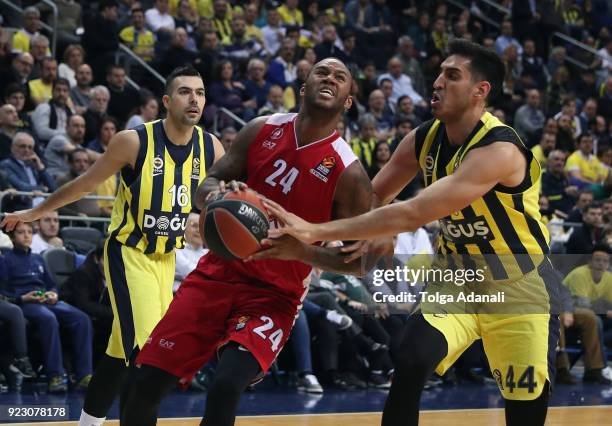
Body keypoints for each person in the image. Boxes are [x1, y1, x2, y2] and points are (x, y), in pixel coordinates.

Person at [265, 40, 559, 426]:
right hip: (458, 277)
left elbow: (416, 210)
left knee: (523, 408)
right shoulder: (423, 139)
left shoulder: (499, 150)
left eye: (451, 76)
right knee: (410, 357)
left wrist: (314, 230)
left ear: (480, 91)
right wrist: (372, 224)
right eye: (438, 73)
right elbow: (373, 197)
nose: (436, 82)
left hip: (518, 283)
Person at [120, 57, 388, 425]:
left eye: (341, 77)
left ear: (347, 101)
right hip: (217, 273)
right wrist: (216, 197)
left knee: (226, 384)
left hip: (274, 295)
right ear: (304, 87)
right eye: (321, 72)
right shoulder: (261, 129)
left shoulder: (350, 172)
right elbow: (206, 185)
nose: (330, 78)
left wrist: (301, 251)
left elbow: (361, 262)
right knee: (145, 382)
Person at [0, 65, 224, 426]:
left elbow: (216, 200)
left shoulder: (211, 147)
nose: (194, 98)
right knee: (150, 358)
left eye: (199, 92)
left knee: (120, 354)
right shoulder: (133, 141)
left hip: (166, 260)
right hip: (129, 254)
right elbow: (84, 184)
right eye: (185, 91)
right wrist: (35, 211)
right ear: (167, 101)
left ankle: (87, 424)